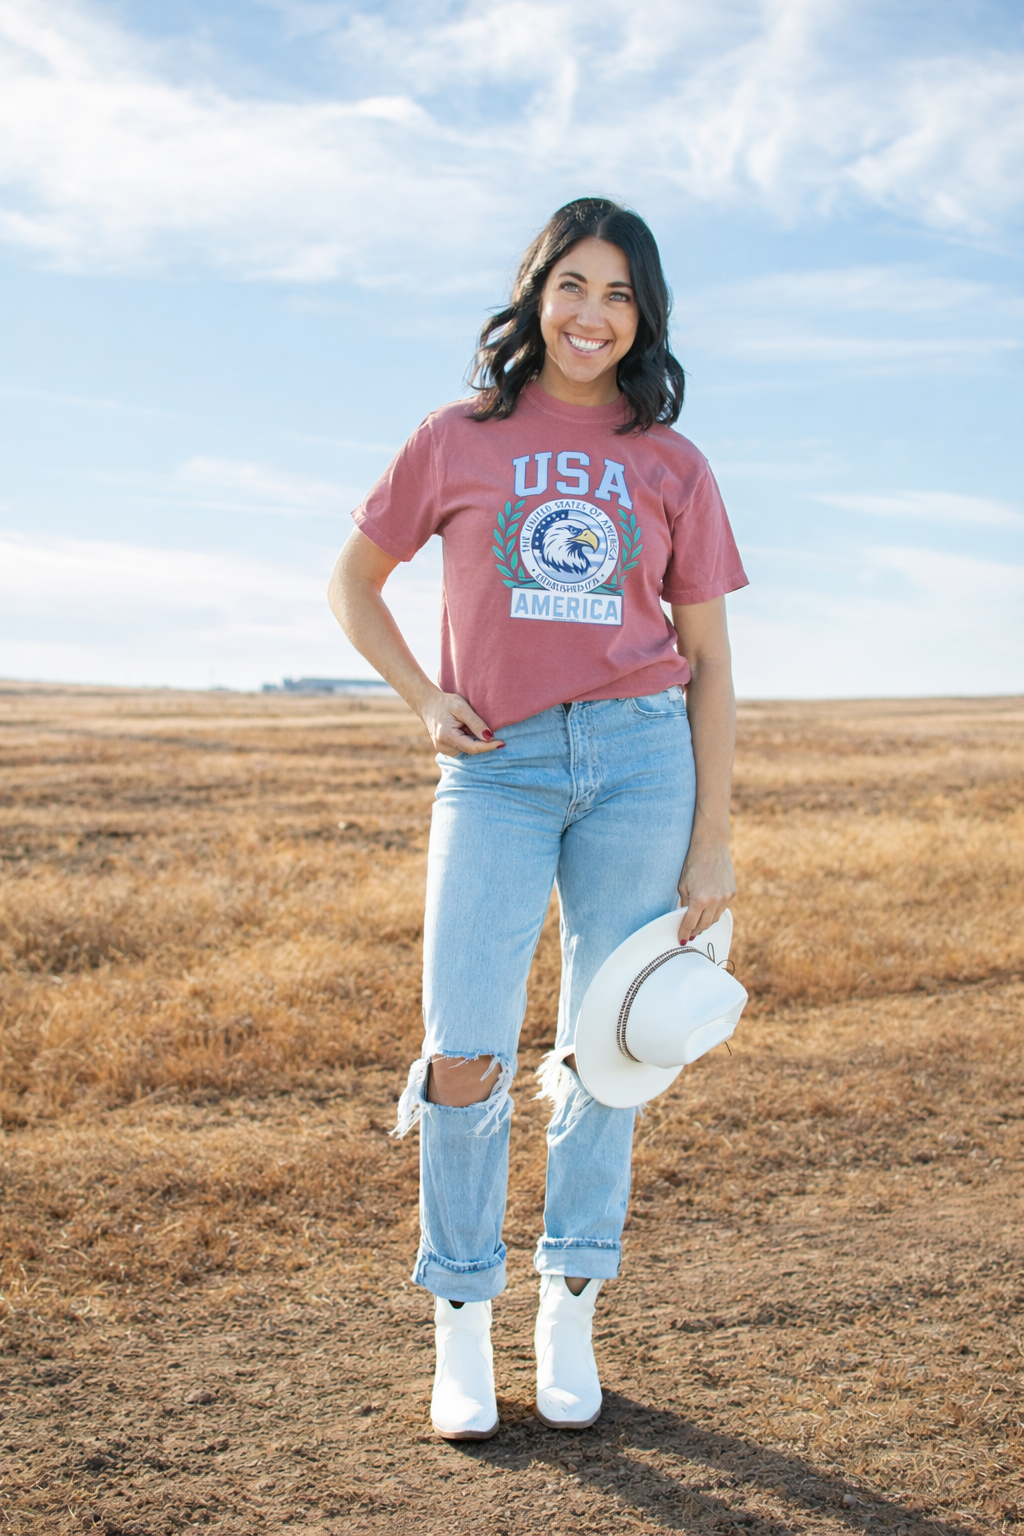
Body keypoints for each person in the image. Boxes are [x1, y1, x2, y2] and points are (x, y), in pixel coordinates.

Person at [327, 197, 748, 1440]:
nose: (592, 314)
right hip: (496, 770)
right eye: (573, 284)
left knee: (608, 1051)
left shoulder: (671, 461)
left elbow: (712, 660)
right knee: (463, 1048)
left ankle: (570, 1308)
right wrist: (423, 697)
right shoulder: (455, 438)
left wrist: (712, 833)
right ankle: (462, 1321)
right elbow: (351, 581)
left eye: (619, 294)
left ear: (642, 317)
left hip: (638, 761)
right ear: (534, 295)